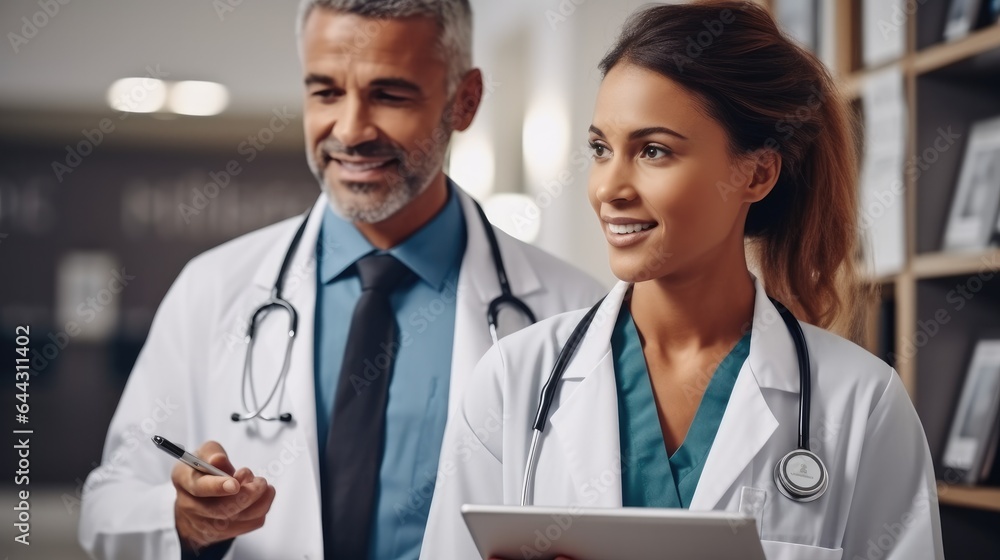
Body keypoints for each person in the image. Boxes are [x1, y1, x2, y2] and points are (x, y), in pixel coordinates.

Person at [78, 1, 604, 558]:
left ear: (464, 101)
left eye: (390, 94)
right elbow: (105, 507)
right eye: (326, 92)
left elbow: (607, 517)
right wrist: (184, 520)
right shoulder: (211, 288)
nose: (351, 131)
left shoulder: (575, 314)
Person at [420, 2, 944, 559]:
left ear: (758, 173)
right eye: (601, 149)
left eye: (653, 151)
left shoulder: (861, 402)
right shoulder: (512, 381)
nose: (609, 188)